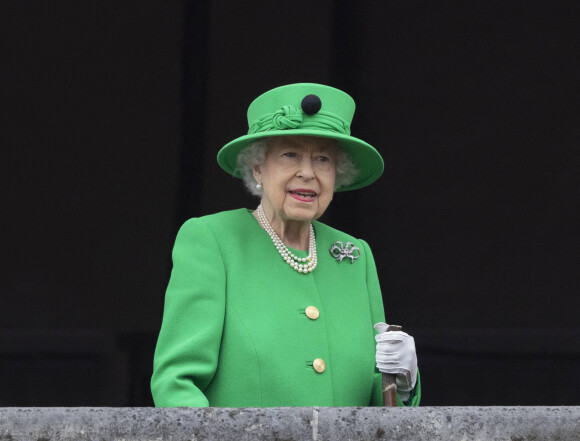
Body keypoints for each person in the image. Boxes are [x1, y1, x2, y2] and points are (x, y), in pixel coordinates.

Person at [151, 83, 420, 407]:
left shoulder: (353, 255)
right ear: (258, 168)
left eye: (322, 159)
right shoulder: (212, 240)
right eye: (290, 155)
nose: (307, 173)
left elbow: (382, 410)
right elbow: (177, 384)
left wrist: (402, 383)